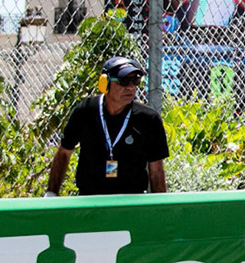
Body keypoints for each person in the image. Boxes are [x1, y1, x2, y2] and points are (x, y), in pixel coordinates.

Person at [46, 57, 168, 196]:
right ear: (105, 83)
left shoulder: (148, 119)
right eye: (123, 81)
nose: (130, 87)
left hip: (132, 201)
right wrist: (52, 192)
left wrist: (161, 209)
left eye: (135, 81)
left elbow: (156, 168)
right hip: (89, 199)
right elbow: (64, 152)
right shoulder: (85, 111)